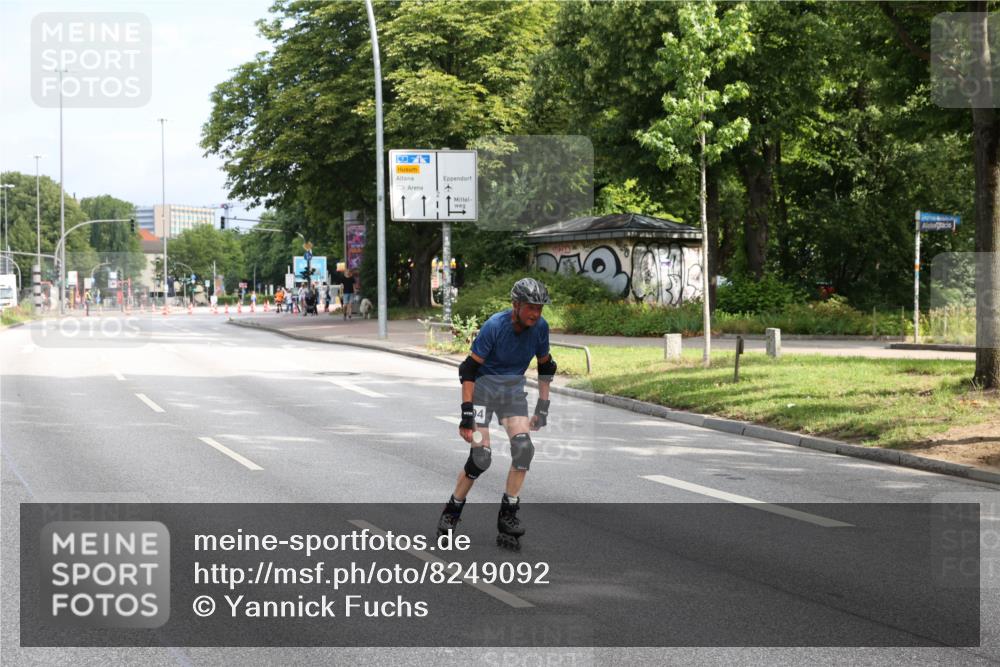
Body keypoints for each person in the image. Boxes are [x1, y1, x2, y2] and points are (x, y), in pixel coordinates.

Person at [437, 277, 557, 551]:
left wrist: (543, 407)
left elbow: (546, 366)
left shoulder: (540, 328)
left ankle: (508, 514)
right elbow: (468, 370)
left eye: (539, 308)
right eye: (530, 307)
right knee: (481, 458)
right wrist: (467, 415)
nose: (535, 314)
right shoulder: (495, 327)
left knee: (524, 449)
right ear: (516, 305)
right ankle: (452, 511)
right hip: (482, 394)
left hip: (512, 395)